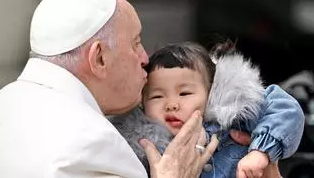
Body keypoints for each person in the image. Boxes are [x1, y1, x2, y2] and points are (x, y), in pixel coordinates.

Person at [0, 0, 219, 177]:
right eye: (135, 43)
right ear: (99, 58)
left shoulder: (0, 105)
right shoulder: (95, 145)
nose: (144, 58)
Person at [113, 42, 304, 178]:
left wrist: (260, 153)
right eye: (157, 96)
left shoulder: (233, 122)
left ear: (211, 93)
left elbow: (285, 109)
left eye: (185, 93)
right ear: (142, 103)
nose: (172, 104)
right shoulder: (139, 151)